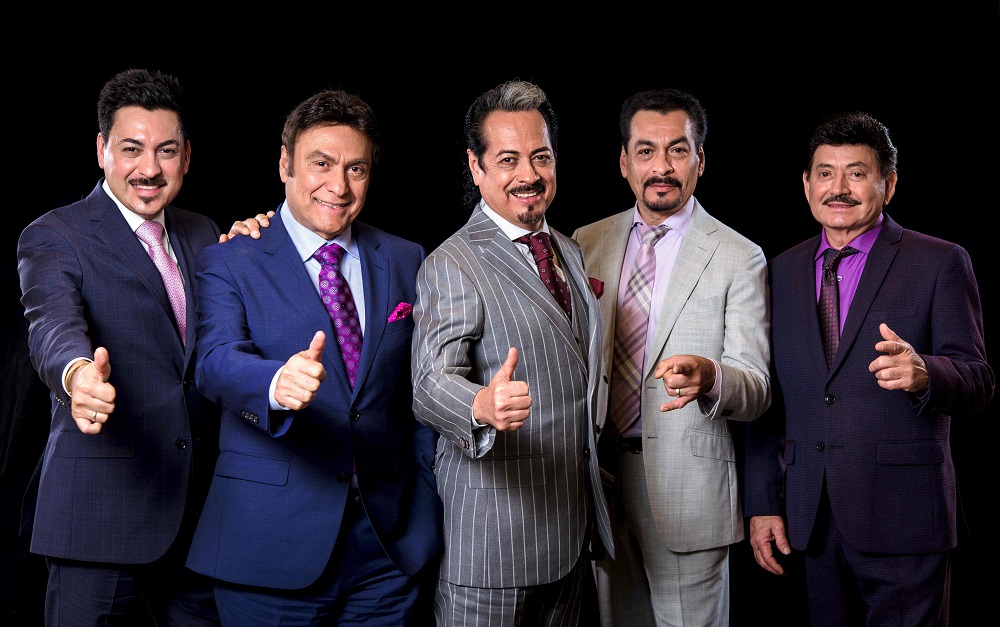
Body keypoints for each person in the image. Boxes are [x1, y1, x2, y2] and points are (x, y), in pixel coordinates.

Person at [185, 88, 442, 626]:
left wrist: (422, 507)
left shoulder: (405, 258)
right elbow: (213, 359)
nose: (339, 186)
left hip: (387, 551)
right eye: (320, 164)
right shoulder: (231, 259)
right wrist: (275, 382)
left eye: (357, 169)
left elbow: (416, 390)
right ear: (285, 163)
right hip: (268, 548)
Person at [743, 111, 994, 625]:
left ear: (889, 183)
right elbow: (770, 397)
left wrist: (927, 371)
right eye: (825, 173)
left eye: (856, 173)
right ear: (807, 184)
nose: (839, 188)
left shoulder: (939, 261)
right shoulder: (780, 271)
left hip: (904, 517)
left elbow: (978, 379)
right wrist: (763, 503)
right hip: (809, 516)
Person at [15, 68, 222, 625]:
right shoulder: (56, 234)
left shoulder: (204, 233)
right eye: (131, 149)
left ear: (186, 157)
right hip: (100, 518)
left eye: (167, 151)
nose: (149, 169)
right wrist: (78, 375)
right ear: (102, 149)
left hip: (197, 520)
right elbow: (50, 323)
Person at [408, 78, 613, 625]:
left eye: (540, 157)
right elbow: (430, 381)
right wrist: (480, 406)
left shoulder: (567, 249)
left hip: (569, 535)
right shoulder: (452, 262)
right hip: (491, 547)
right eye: (508, 160)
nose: (529, 175)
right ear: (475, 168)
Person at [571, 88, 771, 626]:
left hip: (690, 490)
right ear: (624, 161)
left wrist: (711, 377)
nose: (662, 167)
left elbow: (757, 387)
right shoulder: (584, 243)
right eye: (646, 151)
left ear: (700, 160)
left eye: (678, 151)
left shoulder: (738, 255)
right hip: (602, 481)